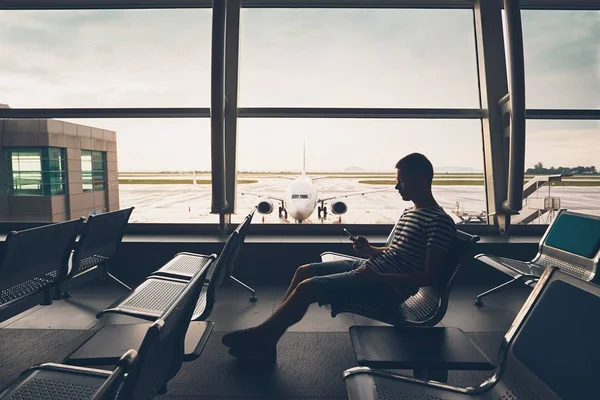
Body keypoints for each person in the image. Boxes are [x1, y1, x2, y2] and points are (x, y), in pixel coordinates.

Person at [222, 152, 457, 362]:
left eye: (401, 181)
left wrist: (378, 277)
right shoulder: (410, 213)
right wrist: (371, 250)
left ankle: (262, 336)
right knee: (304, 270)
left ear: (421, 180)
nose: (397, 187)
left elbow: (429, 276)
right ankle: (268, 335)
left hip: (385, 287)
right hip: (372, 267)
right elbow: (398, 252)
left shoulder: (439, 221)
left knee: (307, 288)